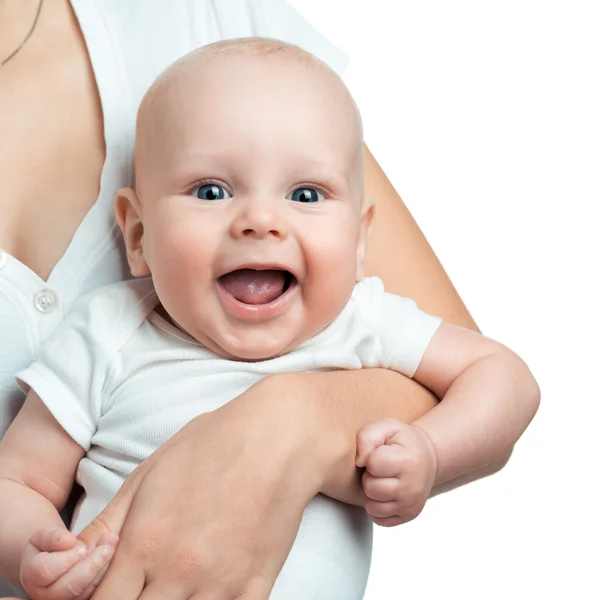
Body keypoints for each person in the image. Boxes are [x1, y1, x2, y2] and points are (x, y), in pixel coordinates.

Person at [0, 1, 513, 599]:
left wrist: (431, 448)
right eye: (212, 190)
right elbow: (20, 482)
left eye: (306, 192)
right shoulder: (110, 330)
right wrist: (37, 549)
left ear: (360, 240)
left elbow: (499, 375)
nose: (261, 220)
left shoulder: (361, 320)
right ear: (137, 236)